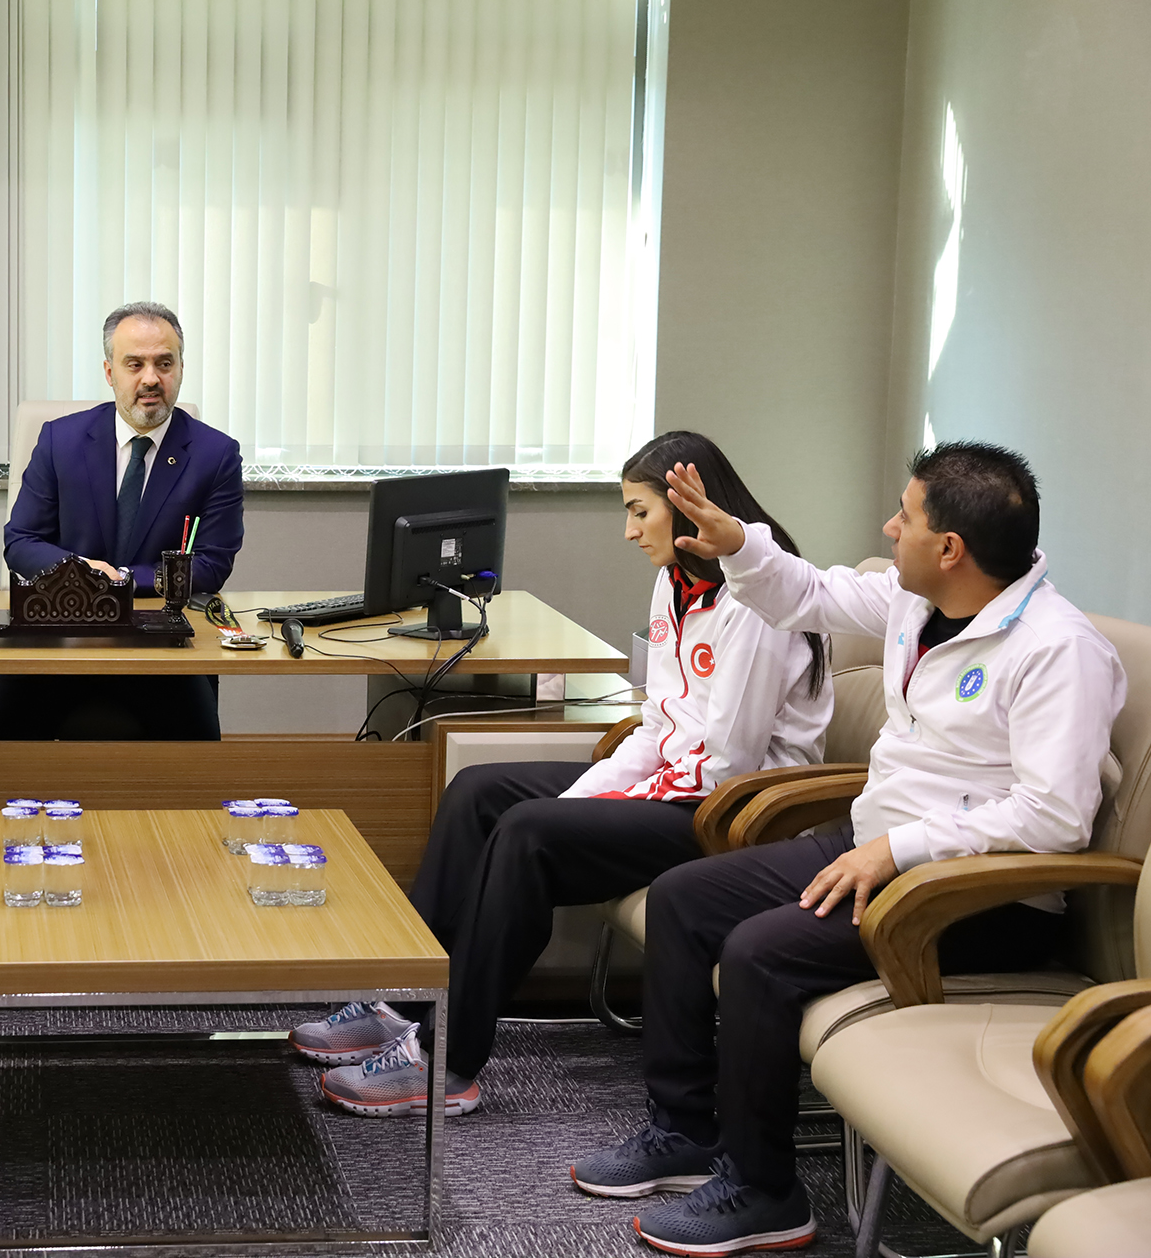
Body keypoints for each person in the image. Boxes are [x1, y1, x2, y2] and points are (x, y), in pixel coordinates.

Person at [572, 442, 1124, 1257]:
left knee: (759, 951)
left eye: (905, 516)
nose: (889, 526)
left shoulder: (1057, 650)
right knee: (687, 896)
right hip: (877, 850)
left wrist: (901, 849)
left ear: (950, 548)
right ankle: (685, 1132)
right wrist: (738, 543)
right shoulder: (914, 601)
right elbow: (810, 592)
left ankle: (766, 1191)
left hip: (978, 898)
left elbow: (1055, 817)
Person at [289, 432, 834, 1119]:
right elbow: (659, 725)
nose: (629, 530)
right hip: (679, 781)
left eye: (639, 511)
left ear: (687, 505)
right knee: (479, 792)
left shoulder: (756, 599)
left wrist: (597, 801)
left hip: (735, 815)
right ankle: (402, 1002)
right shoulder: (676, 580)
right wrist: (588, 792)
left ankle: (448, 1062)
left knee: (529, 832)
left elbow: (728, 763)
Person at [0, 300, 246, 740]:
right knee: (2, 739)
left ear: (181, 369)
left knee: (196, 752)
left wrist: (121, 579)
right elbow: (22, 540)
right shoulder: (61, 440)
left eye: (165, 363)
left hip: (161, 647)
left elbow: (212, 563)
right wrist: (82, 574)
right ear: (110, 372)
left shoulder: (215, 455)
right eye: (135, 364)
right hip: (60, 635)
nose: (151, 378)